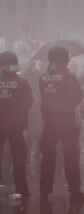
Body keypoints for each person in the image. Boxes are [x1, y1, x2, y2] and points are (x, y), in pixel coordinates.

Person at [38, 46, 84, 206]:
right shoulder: (69, 77)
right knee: (71, 158)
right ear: (64, 59)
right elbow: (78, 97)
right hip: (67, 123)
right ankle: (74, 191)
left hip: (49, 123)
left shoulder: (43, 77)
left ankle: (44, 191)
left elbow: (43, 98)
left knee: (48, 159)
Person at [0, 51, 33, 197]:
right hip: (16, 127)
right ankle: (22, 189)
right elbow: (29, 102)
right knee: (19, 161)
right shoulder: (23, 82)